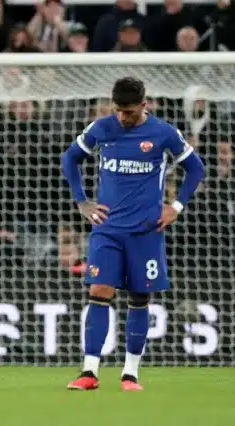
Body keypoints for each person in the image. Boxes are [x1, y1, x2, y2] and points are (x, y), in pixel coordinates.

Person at [61, 77, 205, 391]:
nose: (122, 117)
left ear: (144, 105)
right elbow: (70, 158)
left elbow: (196, 168)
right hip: (108, 229)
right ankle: (89, 371)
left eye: (128, 112)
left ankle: (130, 374)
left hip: (145, 231)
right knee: (99, 290)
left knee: (139, 298)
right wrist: (82, 201)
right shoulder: (102, 128)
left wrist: (176, 206)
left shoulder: (164, 133)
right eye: (118, 110)